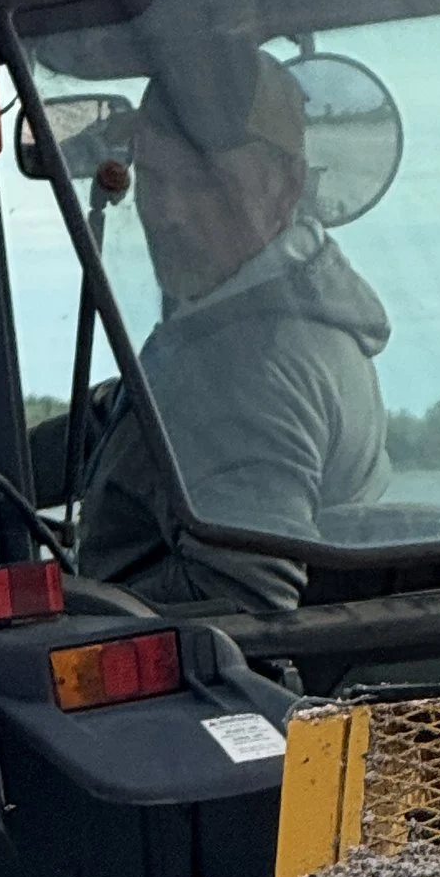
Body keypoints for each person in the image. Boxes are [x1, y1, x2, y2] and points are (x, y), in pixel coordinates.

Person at [75, 38, 392, 614]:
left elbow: (240, 603)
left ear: (287, 186)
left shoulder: (249, 367)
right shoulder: (281, 324)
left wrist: (65, 609)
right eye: (155, 179)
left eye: (204, 183)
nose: (167, 212)